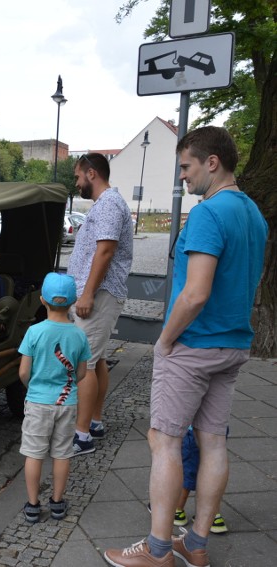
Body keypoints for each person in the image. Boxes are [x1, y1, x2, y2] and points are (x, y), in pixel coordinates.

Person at [103, 127, 266, 567]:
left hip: (193, 346)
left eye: (186, 167)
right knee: (213, 443)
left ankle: (157, 551)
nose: (182, 178)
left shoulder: (209, 214)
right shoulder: (254, 214)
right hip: (233, 345)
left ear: (212, 162)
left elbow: (195, 293)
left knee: (164, 441)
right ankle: (195, 545)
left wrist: (165, 339)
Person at [67, 152, 133, 456]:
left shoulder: (108, 204)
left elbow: (105, 252)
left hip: (99, 295)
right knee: (99, 359)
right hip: (101, 293)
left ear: (92, 173)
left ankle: (81, 436)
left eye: (78, 176)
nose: (77, 182)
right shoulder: (109, 204)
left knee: (86, 364)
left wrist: (88, 293)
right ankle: (94, 421)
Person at [18, 273, 91, 524]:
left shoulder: (34, 332)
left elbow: (24, 371)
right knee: (61, 454)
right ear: (72, 303)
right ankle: (58, 504)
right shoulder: (79, 335)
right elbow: (81, 372)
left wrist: (33, 387)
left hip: (38, 402)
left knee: (34, 454)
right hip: (66, 402)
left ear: (42, 300)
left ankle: (32, 505)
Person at [174, 426, 229, 534]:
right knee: (213, 469)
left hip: (192, 431)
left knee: (187, 472)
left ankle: (177, 511)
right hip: (218, 430)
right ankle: (214, 516)